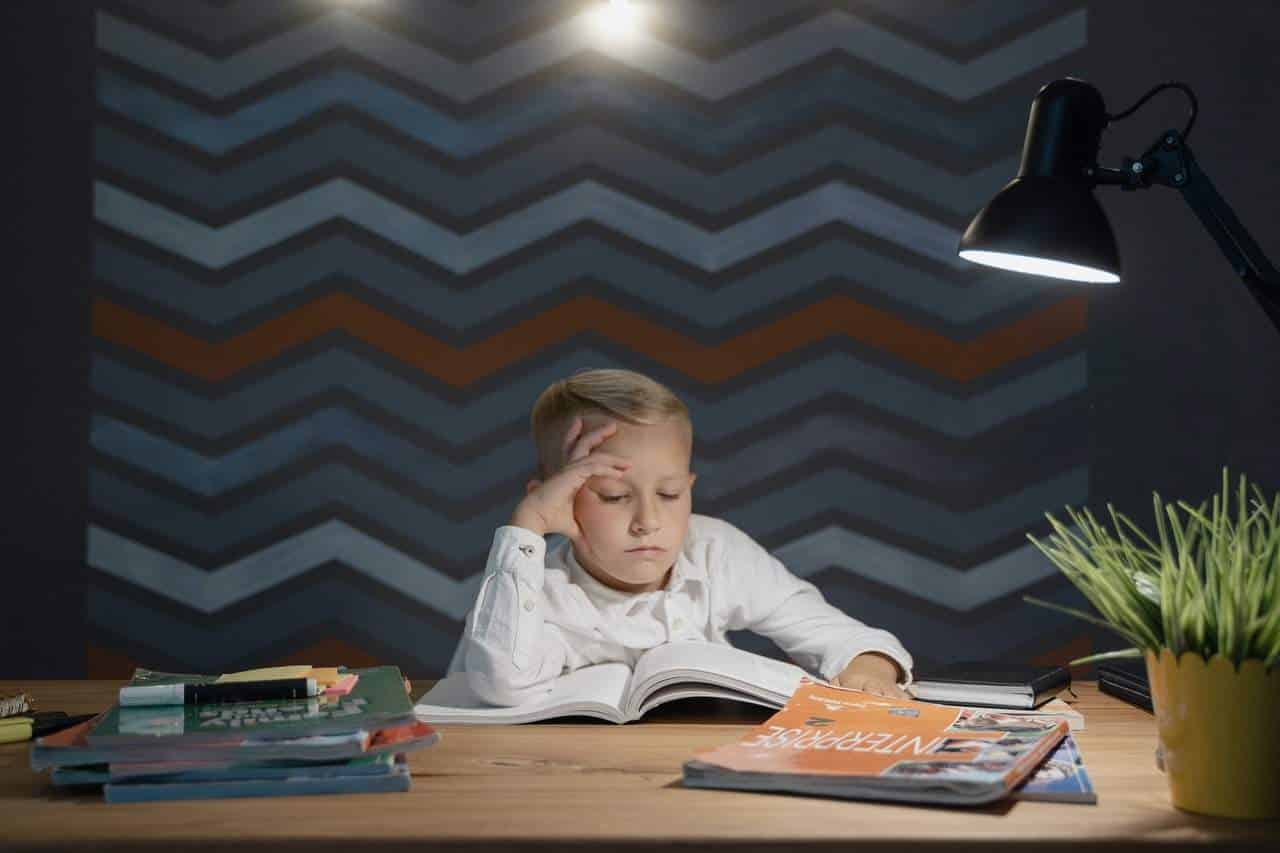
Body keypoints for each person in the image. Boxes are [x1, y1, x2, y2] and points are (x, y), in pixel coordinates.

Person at [448, 368, 914, 706]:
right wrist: (526, 526)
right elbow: (499, 682)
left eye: (669, 494)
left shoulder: (712, 551)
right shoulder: (539, 587)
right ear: (558, 499)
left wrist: (868, 668)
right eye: (612, 496)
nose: (648, 520)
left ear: (689, 489)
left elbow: (839, 634)